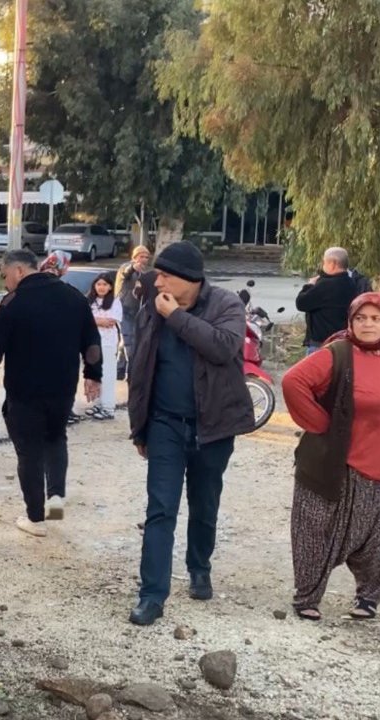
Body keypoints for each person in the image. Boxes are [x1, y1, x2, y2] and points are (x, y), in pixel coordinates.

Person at [126, 242, 254, 626]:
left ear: (190, 280)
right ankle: (152, 595)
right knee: (160, 508)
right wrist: (140, 427)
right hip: (165, 423)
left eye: (164, 274)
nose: (157, 279)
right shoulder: (154, 306)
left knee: (204, 502)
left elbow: (224, 347)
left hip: (213, 426)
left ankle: (199, 567)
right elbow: (141, 368)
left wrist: (176, 317)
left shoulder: (226, 304)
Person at [281, 292, 380, 622]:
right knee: (317, 529)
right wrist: (321, 423)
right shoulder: (338, 353)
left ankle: (368, 598)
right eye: (361, 318)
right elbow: (294, 381)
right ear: (350, 321)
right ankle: (307, 596)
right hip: (345, 465)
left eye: (376, 318)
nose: (368, 324)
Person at [0, 249, 102, 537]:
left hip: (25, 391)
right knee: (56, 439)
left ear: (19, 270)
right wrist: (93, 376)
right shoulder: (73, 297)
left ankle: (36, 519)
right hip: (62, 389)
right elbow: (91, 342)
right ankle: (55, 503)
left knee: (29, 451)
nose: (5, 282)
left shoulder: (14, 302)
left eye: (5, 275)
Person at [296, 247, 359, 354]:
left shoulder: (326, 285)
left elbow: (301, 303)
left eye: (324, 262)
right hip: (342, 343)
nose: (323, 266)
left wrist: (309, 285)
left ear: (333, 264)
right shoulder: (351, 283)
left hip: (321, 344)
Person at [86, 272, 122, 421]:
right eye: (99, 284)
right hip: (91, 343)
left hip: (107, 343)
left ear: (110, 286)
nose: (101, 287)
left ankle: (108, 408)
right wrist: (98, 320)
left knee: (107, 375)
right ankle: (98, 404)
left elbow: (111, 321)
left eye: (105, 284)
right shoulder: (89, 301)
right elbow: (84, 319)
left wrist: (94, 320)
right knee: (95, 375)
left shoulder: (115, 301)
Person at [116, 246, 152, 379]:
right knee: (129, 340)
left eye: (146, 257)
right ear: (135, 257)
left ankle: (119, 370)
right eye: (141, 256)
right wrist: (132, 268)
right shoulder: (125, 267)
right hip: (123, 309)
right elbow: (126, 273)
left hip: (136, 310)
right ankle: (131, 372)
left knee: (125, 340)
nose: (144, 259)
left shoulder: (144, 272)